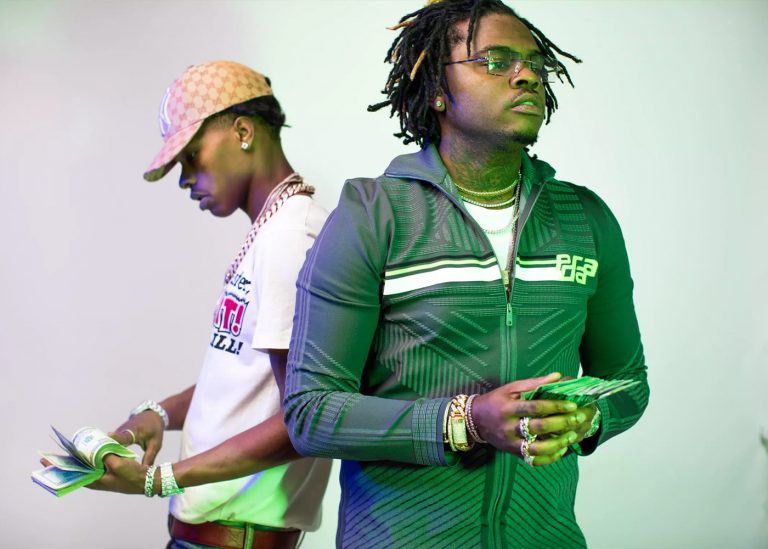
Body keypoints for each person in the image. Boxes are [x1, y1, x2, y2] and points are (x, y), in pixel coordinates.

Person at [283, 1, 649, 547]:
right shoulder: (374, 216)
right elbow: (311, 413)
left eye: (535, 64)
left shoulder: (585, 219)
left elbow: (629, 382)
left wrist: (586, 420)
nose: (526, 75)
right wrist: (467, 421)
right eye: (495, 61)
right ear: (437, 88)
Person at [90, 61, 331, 549]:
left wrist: (160, 479)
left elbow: (304, 421)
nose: (185, 179)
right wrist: (159, 413)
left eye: (192, 157)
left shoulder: (290, 238)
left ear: (243, 131)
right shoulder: (273, 232)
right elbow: (247, 379)